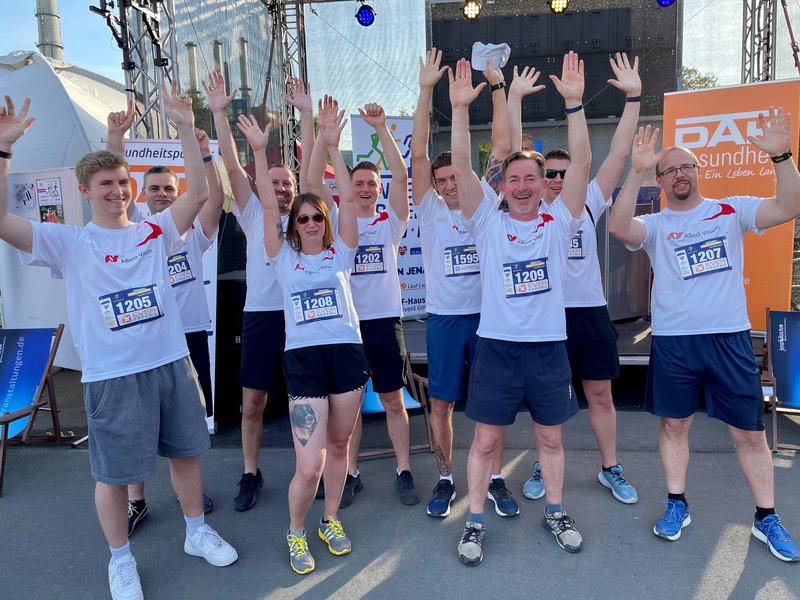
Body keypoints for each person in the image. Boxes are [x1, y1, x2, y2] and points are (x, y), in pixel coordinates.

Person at [0, 88, 237, 600]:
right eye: (105, 184)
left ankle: (196, 532)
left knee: (186, 456)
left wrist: (185, 125)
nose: (116, 191)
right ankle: (120, 559)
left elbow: (198, 194)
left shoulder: (154, 231)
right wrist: (4, 150)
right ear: (85, 191)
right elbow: (1, 223)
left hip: (171, 363)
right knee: (113, 476)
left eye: (121, 182)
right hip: (112, 376)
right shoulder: (71, 242)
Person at [608, 116, 800, 562]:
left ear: (698, 172)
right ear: (660, 181)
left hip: (727, 339)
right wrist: (636, 170)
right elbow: (618, 227)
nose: (679, 174)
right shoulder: (655, 225)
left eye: (686, 167)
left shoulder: (732, 210)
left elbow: (789, 206)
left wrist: (781, 156)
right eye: (669, 170)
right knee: (674, 426)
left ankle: (766, 517)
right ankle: (677, 503)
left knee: (750, 433)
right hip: (675, 342)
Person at [448, 52, 591, 565]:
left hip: (548, 349)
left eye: (533, 178)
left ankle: (556, 511)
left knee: (549, 440)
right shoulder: (487, 221)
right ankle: (474, 520)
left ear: (544, 183)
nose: (525, 186)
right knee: (486, 442)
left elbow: (583, 164)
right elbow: (461, 167)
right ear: (503, 187)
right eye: (515, 179)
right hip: (498, 349)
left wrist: (574, 104)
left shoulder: (559, 221)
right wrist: (459, 110)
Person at [237, 95, 368, 575]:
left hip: (346, 357)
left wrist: (333, 145)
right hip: (305, 362)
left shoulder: (342, 251)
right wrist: (258, 152)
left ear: (326, 222)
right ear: (292, 225)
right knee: (309, 464)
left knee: (339, 448)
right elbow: (266, 198)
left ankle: (330, 520)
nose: (311, 223)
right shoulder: (282, 256)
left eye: (318, 217)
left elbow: (346, 197)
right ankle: (296, 531)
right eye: (303, 218)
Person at [506, 53, 642, 505]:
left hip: (589, 314)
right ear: (540, 178)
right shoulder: (525, 213)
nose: (558, 180)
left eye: (565, 173)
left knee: (600, 394)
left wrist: (634, 99)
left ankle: (610, 466)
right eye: (550, 174)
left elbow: (617, 153)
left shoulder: (588, 203)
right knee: (549, 401)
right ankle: (543, 465)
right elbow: (508, 154)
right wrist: (512, 99)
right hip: (546, 318)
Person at [410, 48, 518, 518]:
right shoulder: (430, 210)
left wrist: (497, 89)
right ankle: (445, 478)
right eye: (443, 179)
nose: (451, 184)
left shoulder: (486, 200)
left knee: (491, 405)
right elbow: (417, 153)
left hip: (490, 318)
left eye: (456, 175)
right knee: (442, 404)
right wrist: (426, 90)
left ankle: (494, 478)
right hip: (446, 320)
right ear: (435, 184)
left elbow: (503, 147)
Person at [106, 102, 223, 534]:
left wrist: (205, 153)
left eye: (168, 189)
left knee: (185, 427)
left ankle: (187, 495)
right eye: (154, 188)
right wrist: (116, 140)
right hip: (143, 343)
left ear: (178, 193)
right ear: (142, 194)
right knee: (137, 428)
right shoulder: (134, 229)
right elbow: (112, 186)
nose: (161, 194)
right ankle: (136, 501)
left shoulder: (190, 233)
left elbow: (214, 199)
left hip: (187, 338)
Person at [204, 71, 294, 511]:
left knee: (303, 403)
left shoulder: (310, 216)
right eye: (273, 182)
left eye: (287, 183)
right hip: (260, 316)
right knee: (253, 402)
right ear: (261, 185)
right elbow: (232, 167)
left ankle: (310, 470)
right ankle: (250, 472)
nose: (280, 188)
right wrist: (220, 114)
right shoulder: (253, 212)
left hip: (301, 317)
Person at [337, 101, 418, 506]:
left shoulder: (390, 222)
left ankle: (403, 469)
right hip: (348, 325)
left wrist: (382, 128)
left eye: (371, 183)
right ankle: (351, 473)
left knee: (392, 400)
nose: (366, 189)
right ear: (349, 189)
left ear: (378, 188)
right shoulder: (336, 224)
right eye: (359, 183)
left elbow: (401, 175)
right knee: (350, 407)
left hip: (385, 320)